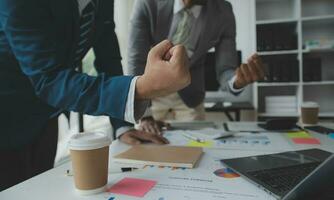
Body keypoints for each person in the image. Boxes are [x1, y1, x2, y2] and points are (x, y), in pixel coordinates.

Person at [0, 0, 190, 191]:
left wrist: (122, 127)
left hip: (44, 119)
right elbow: (49, 79)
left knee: (38, 191)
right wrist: (142, 88)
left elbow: (108, 58)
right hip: (6, 118)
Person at [117, 0, 265, 145]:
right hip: (149, 94)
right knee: (149, 152)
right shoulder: (146, 3)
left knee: (197, 152)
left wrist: (237, 81)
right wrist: (145, 115)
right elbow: (136, 60)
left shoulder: (223, 11)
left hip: (190, 96)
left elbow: (226, 69)